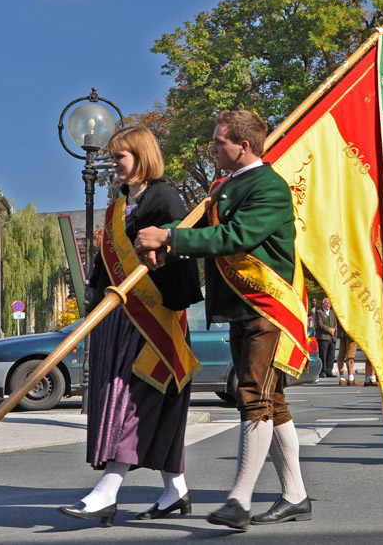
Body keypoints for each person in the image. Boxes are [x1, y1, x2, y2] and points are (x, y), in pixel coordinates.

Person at [135, 110, 311, 531]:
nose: (211, 148)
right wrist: (167, 236)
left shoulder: (268, 186)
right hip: (241, 306)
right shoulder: (225, 185)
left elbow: (236, 236)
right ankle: (295, 495)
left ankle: (239, 499)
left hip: (268, 307)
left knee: (252, 396)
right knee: (273, 403)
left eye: (218, 142)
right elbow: (197, 224)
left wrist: (170, 237)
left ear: (243, 146)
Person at [58, 127, 202, 527]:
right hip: (121, 318)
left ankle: (107, 491)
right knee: (144, 401)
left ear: (141, 156)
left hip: (156, 320)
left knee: (138, 400)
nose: (113, 163)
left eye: (120, 156)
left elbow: (181, 254)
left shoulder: (164, 197)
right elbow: (106, 263)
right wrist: (92, 297)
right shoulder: (117, 205)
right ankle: (176, 489)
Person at [313, 298, 337, 378]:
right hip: (323, 337)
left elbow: (336, 323)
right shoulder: (319, 312)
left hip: (332, 337)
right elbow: (320, 324)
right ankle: (322, 371)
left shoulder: (333, 313)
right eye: (326, 303)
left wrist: (334, 329)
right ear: (323, 304)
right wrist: (329, 329)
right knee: (323, 355)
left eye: (329, 303)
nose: (327, 305)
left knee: (331, 355)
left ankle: (329, 371)